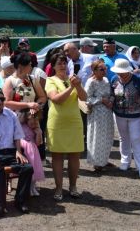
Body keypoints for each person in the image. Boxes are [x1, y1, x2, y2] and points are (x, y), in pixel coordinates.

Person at [0, 87, 33, 219]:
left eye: (2, 99)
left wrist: (19, 152)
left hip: (12, 151)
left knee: (27, 168)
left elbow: (17, 136)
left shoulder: (11, 115)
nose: (0, 102)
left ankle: (20, 201)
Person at [45, 52, 87, 200]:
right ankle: (58, 188)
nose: (63, 66)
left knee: (75, 155)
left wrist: (78, 85)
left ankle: (73, 186)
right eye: (59, 63)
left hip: (74, 121)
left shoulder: (73, 79)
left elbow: (84, 97)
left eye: (64, 63)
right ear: (54, 66)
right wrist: (71, 87)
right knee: (57, 156)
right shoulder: (50, 80)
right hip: (57, 122)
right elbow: (57, 99)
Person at [110, 58, 140, 178]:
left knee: (136, 139)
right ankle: (125, 161)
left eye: (123, 72)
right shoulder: (114, 80)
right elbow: (112, 95)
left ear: (129, 71)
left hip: (136, 114)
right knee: (123, 138)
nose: (121, 75)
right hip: (119, 114)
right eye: (119, 72)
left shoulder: (138, 80)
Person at [84, 59, 114, 170]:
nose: (104, 71)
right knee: (97, 136)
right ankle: (96, 162)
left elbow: (110, 93)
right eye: (101, 69)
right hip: (96, 114)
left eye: (105, 69)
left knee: (107, 136)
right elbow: (86, 98)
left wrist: (110, 101)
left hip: (107, 112)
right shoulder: (91, 82)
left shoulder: (106, 80)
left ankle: (104, 159)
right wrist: (101, 100)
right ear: (94, 70)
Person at [18, 110, 45, 196]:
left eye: (36, 120)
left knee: (35, 171)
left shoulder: (37, 128)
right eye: (31, 119)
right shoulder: (21, 126)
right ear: (26, 119)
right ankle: (28, 188)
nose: (34, 122)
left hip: (34, 153)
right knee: (29, 171)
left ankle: (33, 187)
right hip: (25, 152)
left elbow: (38, 143)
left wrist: (38, 133)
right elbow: (18, 139)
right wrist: (25, 143)